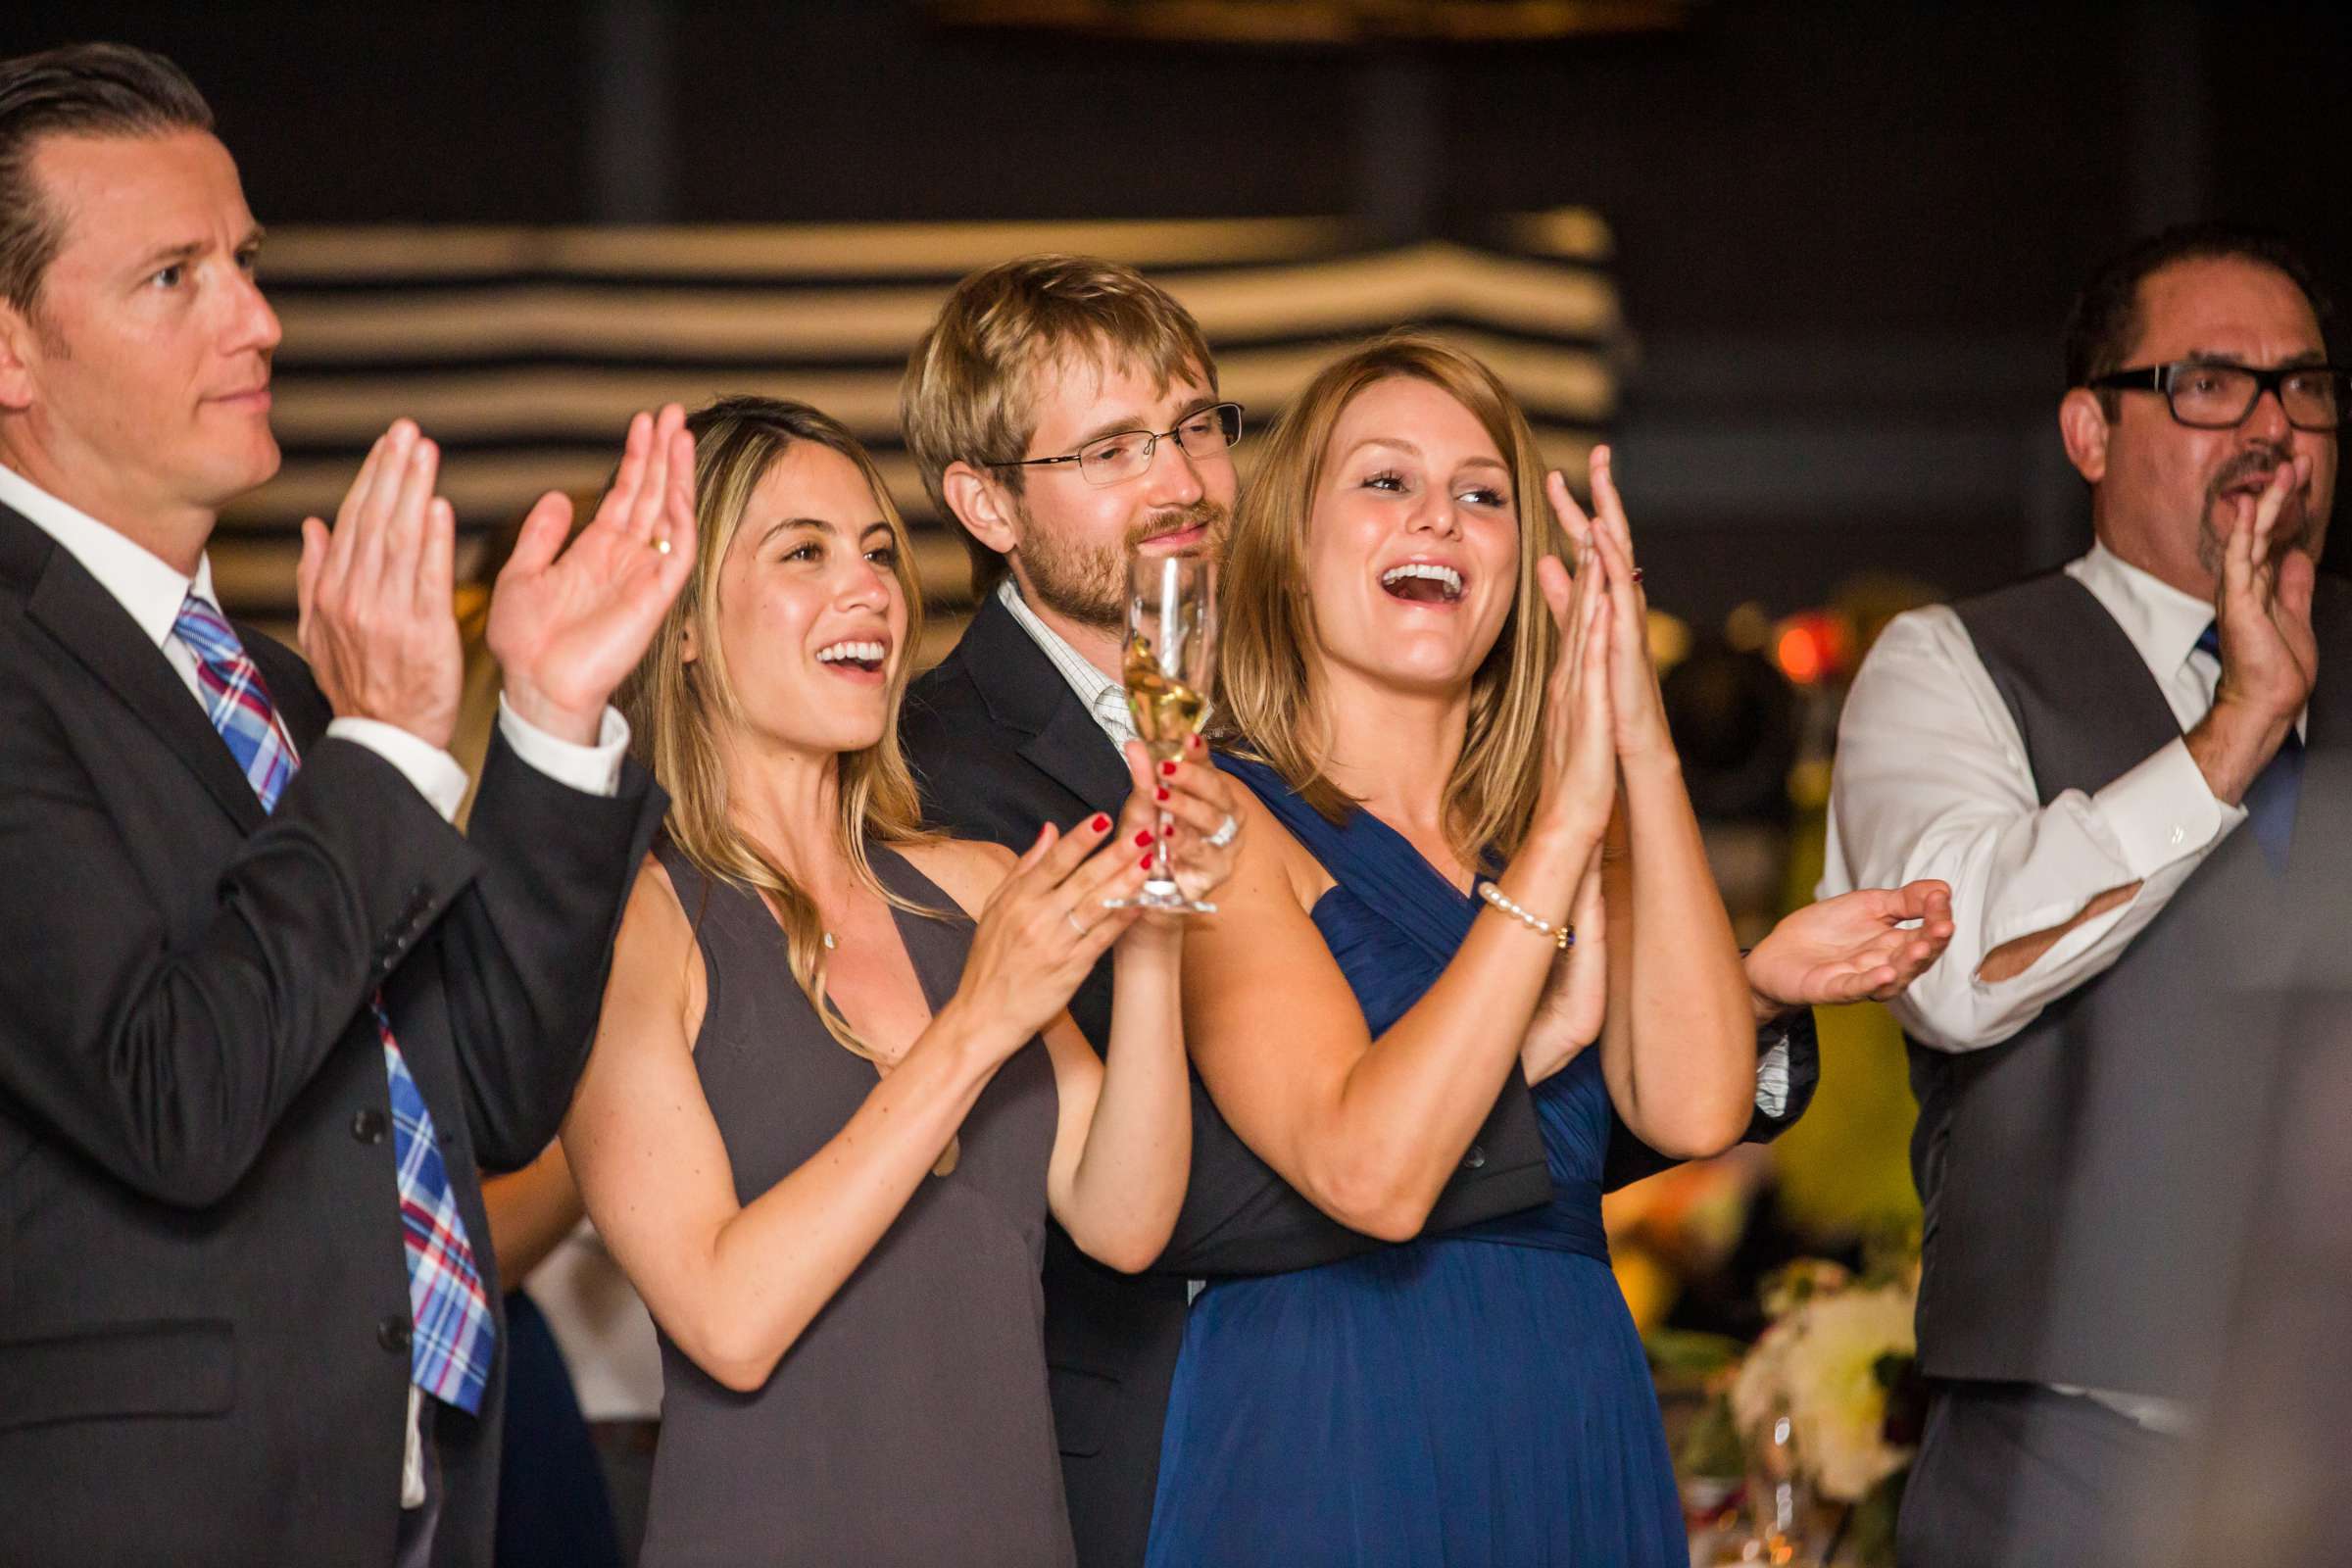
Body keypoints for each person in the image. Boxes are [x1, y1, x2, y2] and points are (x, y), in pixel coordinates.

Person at [897, 255, 1945, 1565]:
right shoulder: (1034, 783)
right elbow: (1274, 1174)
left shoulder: (1514, 811)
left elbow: (1679, 1109)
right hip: (1289, 1417)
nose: (1173, 481)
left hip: (1568, 1406)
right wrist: (1537, 1032)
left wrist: (1637, 758)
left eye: (1190, 430)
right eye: (1113, 448)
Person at [0, 42, 691, 1568]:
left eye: (246, 261)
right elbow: (171, 1094)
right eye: (173, 276)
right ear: (11, 354)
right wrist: (379, 750)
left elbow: (484, 1102)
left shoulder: (267, 681)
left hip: (404, 1509)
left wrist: (552, 721)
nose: (260, 319)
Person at [559, 396, 1239, 1565]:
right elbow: (728, 1320)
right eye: (804, 553)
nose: (868, 587)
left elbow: (1123, 1221)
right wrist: (977, 1023)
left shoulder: (972, 886)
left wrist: (1154, 926)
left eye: (878, 551)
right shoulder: (632, 927)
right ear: (678, 621)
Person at [1819, 222, 2345, 1568]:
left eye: (2307, 387)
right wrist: (2232, 732)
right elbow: (1944, 972)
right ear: (2089, 433)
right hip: (2077, 1453)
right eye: (2211, 383)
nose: (2272, 426)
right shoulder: (1954, 664)